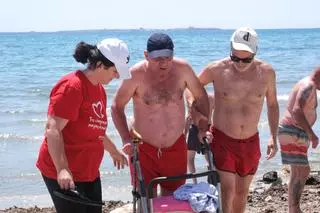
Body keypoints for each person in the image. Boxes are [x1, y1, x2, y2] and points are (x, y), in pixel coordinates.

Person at [111, 33, 210, 198]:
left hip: (175, 147)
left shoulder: (183, 69)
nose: (163, 63)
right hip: (144, 149)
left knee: (173, 199)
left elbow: (201, 96)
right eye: (157, 59)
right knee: (145, 200)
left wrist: (202, 128)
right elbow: (116, 106)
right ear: (146, 55)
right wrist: (125, 139)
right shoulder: (135, 74)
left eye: (168, 57)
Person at [36, 38, 129, 213]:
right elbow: (52, 128)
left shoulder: (99, 89)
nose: (117, 76)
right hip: (64, 172)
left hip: (89, 171)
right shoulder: (73, 86)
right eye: (115, 71)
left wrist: (113, 151)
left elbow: (95, 129)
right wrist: (62, 169)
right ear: (100, 65)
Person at [197, 27, 279, 213]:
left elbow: (272, 105)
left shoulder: (267, 73)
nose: (240, 63)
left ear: (255, 52)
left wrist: (273, 136)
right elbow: (191, 88)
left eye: (246, 59)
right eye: (236, 58)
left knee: (242, 192)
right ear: (230, 48)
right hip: (223, 139)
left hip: (251, 141)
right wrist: (200, 118)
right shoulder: (216, 69)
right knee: (228, 189)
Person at [278, 66, 320, 213]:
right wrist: (311, 134)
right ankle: (294, 209)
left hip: (293, 131)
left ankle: (293, 208)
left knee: (299, 171)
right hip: (293, 130)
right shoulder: (308, 86)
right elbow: (296, 110)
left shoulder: (308, 84)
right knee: (301, 170)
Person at [184, 92, 215, 184]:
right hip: (208, 128)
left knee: (190, 159)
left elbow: (189, 117)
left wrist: (185, 133)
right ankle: (213, 179)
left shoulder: (192, 98)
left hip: (194, 128)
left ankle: (195, 183)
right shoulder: (212, 97)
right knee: (209, 157)